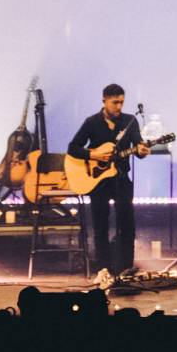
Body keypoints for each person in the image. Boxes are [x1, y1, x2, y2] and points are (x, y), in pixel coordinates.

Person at [68, 83, 149, 286]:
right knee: (101, 227)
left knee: (127, 225)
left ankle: (125, 268)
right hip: (98, 183)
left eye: (121, 102)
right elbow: (73, 148)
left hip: (121, 178)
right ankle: (102, 269)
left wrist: (141, 151)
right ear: (104, 100)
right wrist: (93, 154)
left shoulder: (130, 121)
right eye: (115, 102)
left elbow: (138, 147)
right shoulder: (92, 122)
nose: (119, 107)